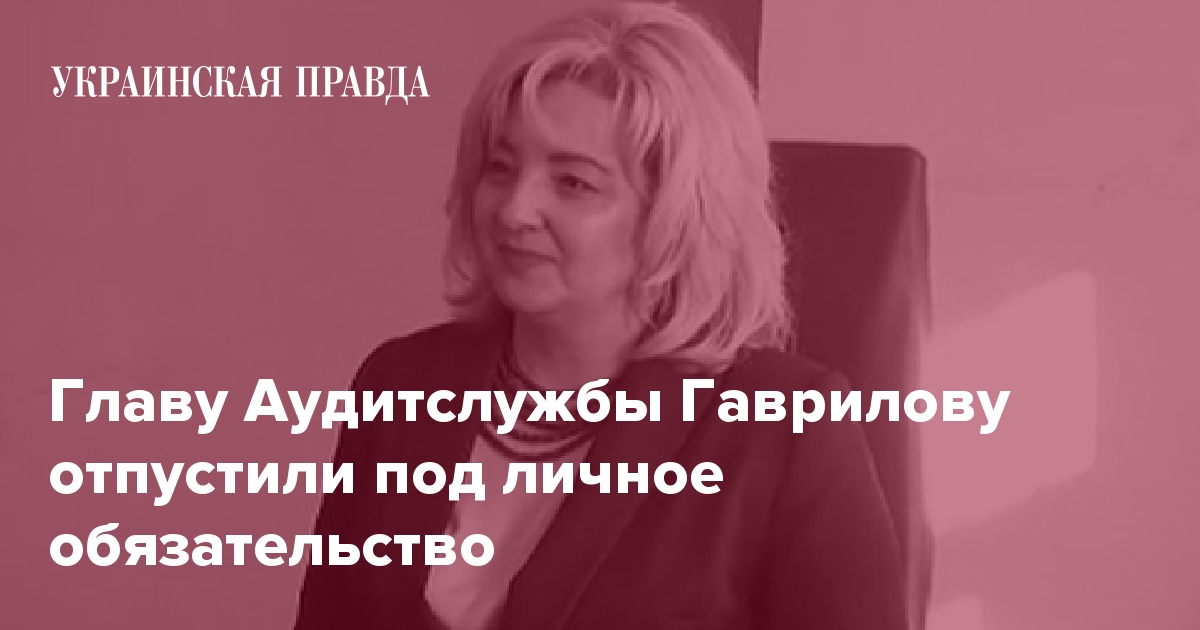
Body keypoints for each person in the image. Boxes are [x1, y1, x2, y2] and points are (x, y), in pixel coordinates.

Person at [294, 3, 909, 629]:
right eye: (501, 169)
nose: (515, 210)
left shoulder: (786, 428)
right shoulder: (402, 383)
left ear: (676, 214)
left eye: (573, 183)